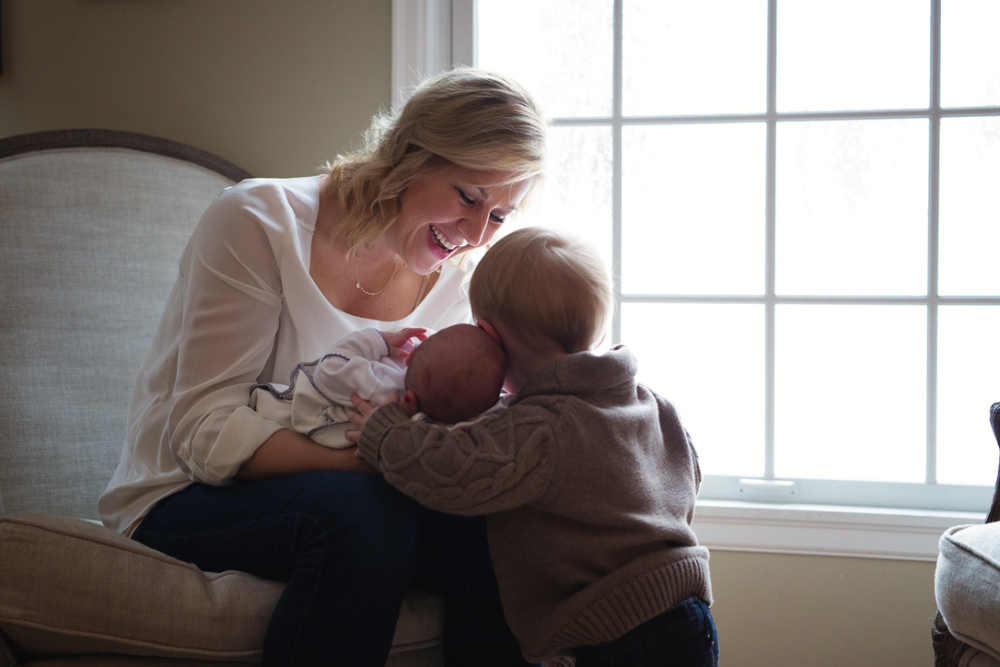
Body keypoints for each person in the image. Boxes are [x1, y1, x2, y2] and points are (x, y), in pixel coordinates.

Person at [98, 66, 547, 667]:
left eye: (497, 216)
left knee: (501, 526)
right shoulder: (260, 221)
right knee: (362, 515)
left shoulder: (463, 281)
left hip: (362, 483)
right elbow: (202, 431)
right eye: (469, 196)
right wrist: (368, 461)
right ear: (411, 154)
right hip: (181, 494)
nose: (473, 233)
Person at [347, 227, 718, 666]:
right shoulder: (651, 402)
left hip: (616, 629)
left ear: (489, 337)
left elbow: (457, 472)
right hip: (690, 610)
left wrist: (386, 432)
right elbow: (689, 471)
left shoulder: (540, 426)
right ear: (596, 335)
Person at [250, 323, 506, 447]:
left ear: (412, 355)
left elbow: (330, 368)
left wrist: (377, 340)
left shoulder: (380, 382)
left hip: (283, 417)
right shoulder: (431, 433)